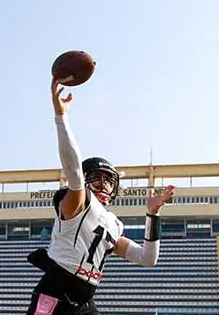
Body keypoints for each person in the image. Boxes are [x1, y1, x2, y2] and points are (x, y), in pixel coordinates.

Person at [26, 78, 175, 315]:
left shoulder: (112, 223)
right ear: (85, 179)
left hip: (84, 302)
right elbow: (73, 168)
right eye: (97, 177)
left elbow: (148, 259)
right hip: (54, 295)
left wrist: (153, 215)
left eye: (109, 180)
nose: (104, 184)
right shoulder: (78, 201)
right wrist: (61, 116)